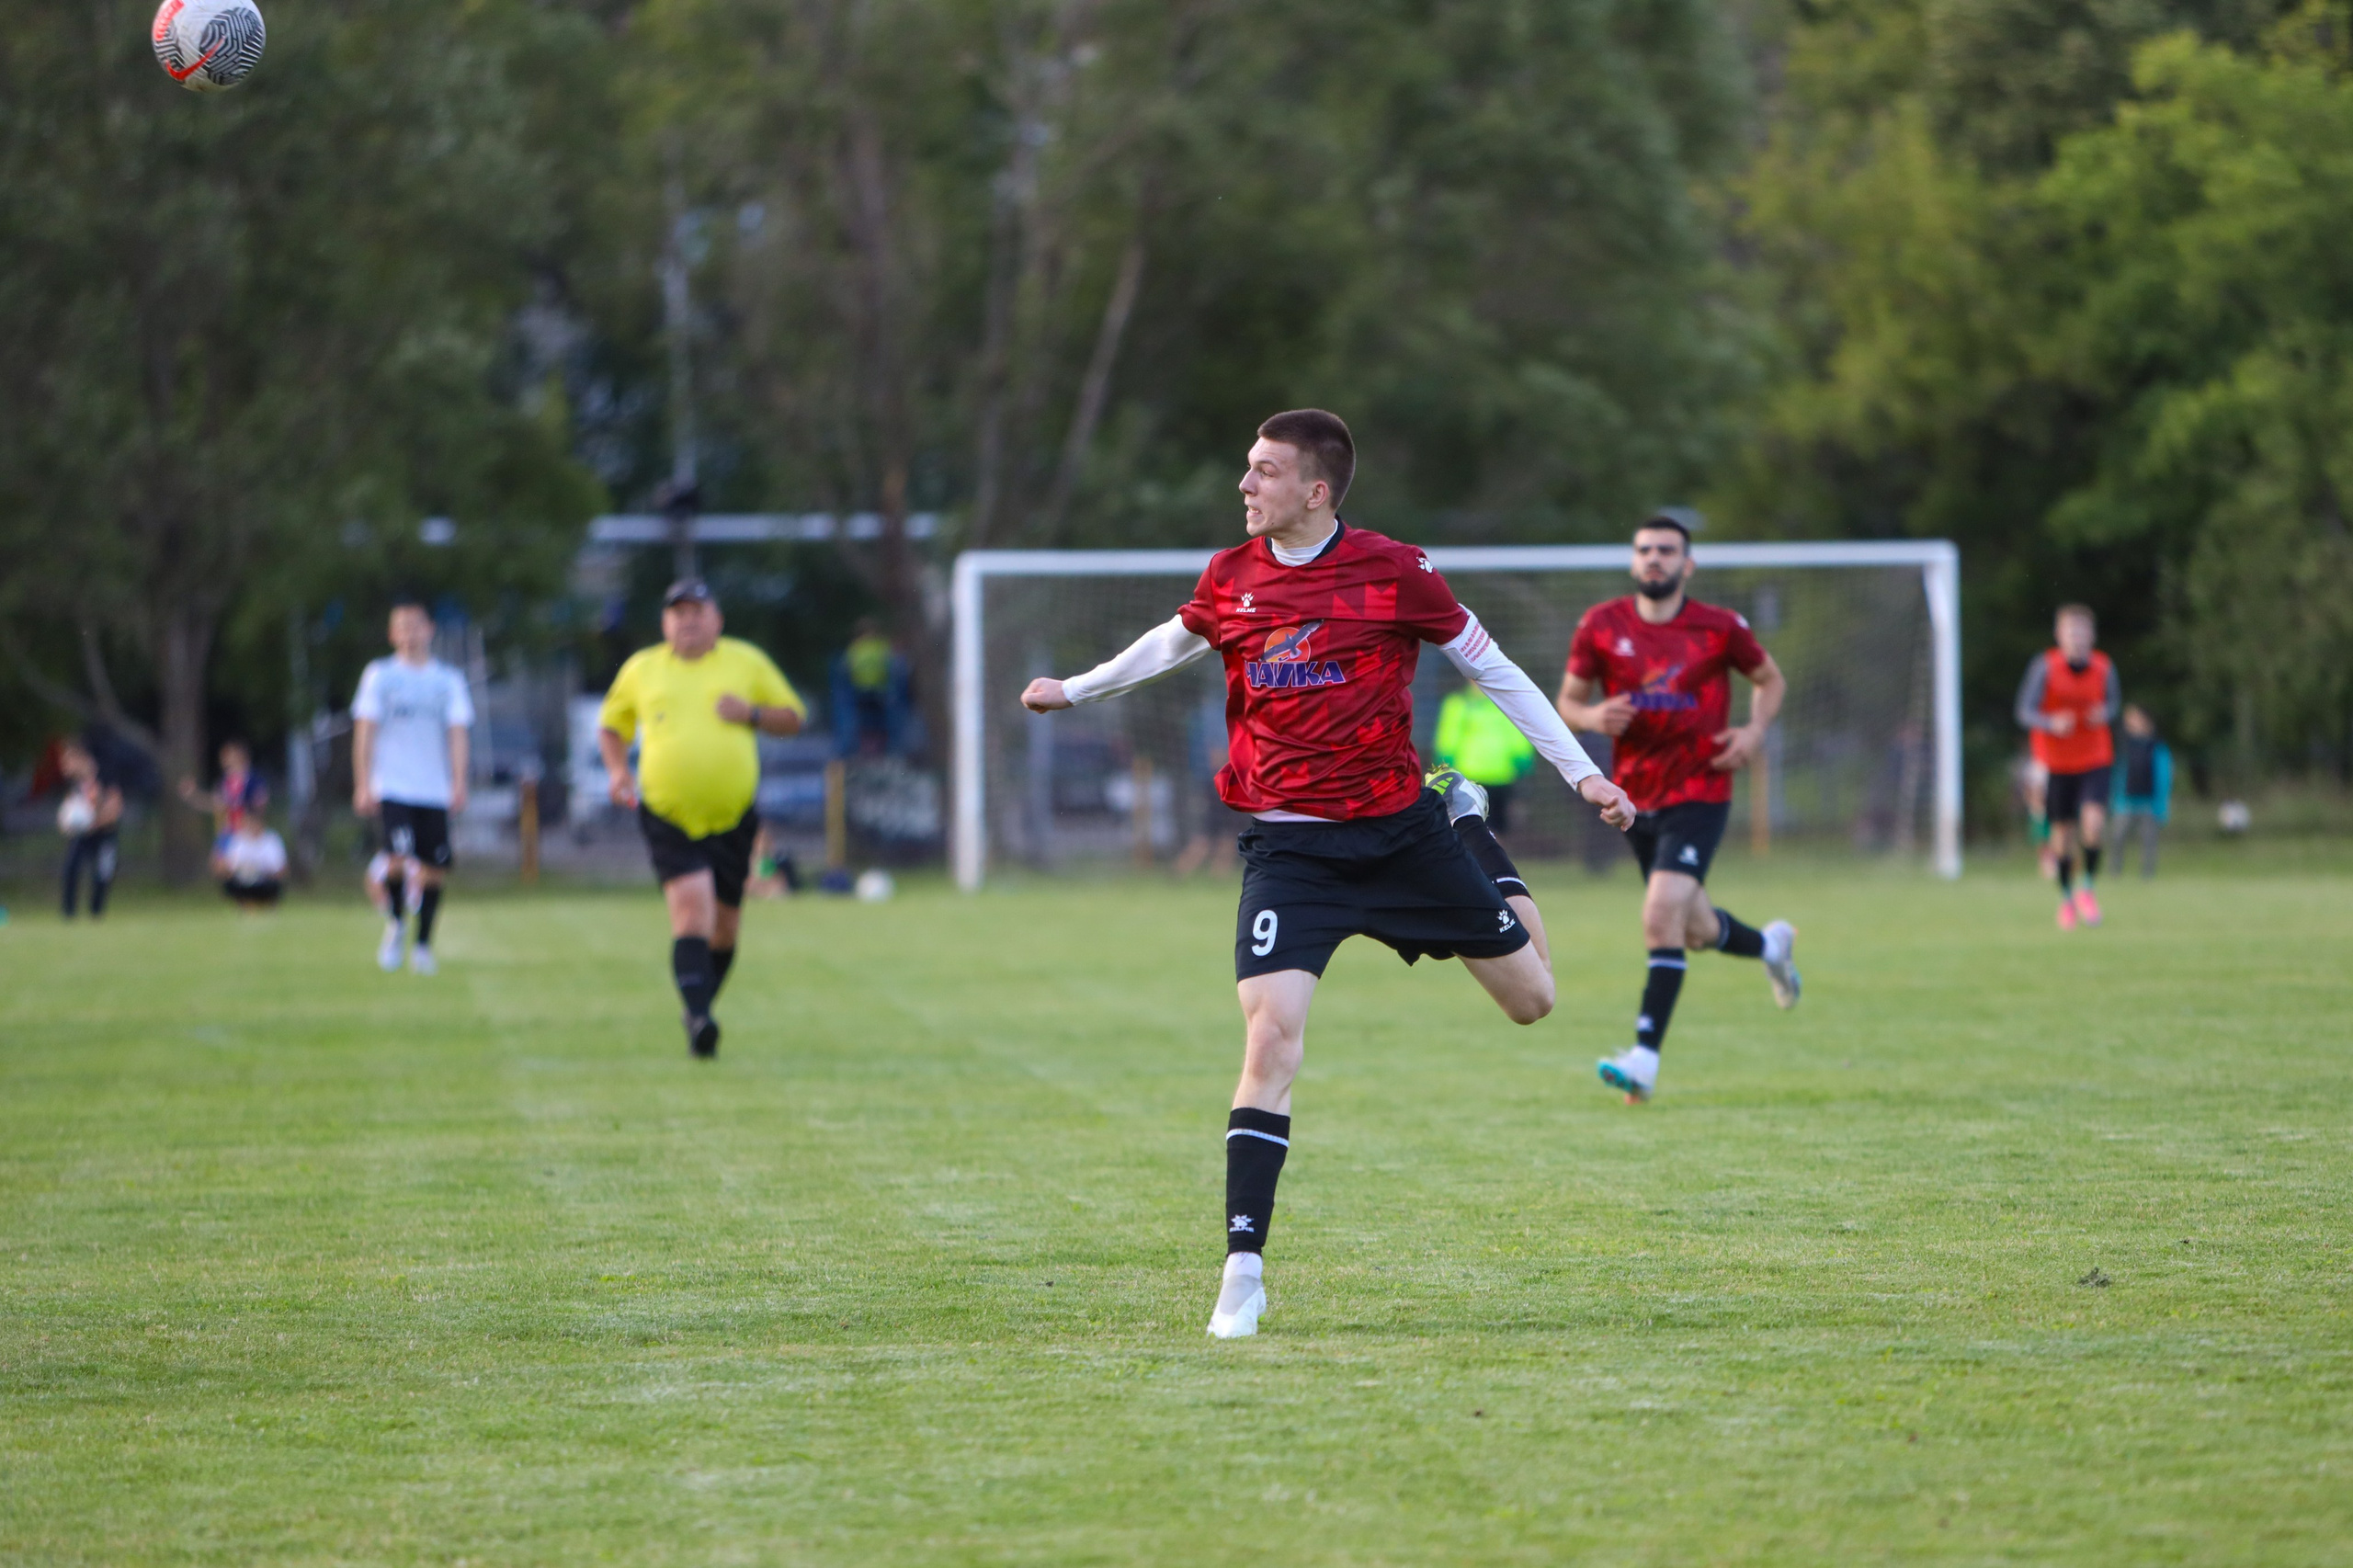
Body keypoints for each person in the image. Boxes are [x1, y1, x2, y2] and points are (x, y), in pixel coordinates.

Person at [1021, 409, 1635, 1339]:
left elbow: (1495, 668)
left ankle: (1465, 820)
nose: (1244, 484)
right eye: (1246, 467)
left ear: (1315, 489)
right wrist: (1075, 688)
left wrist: (1580, 770)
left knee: (1534, 998)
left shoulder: (1394, 571)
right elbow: (1176, 638)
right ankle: (1241, 1271)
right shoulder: (1230, 575)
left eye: (1263, 471)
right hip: (1289, 852)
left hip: (1401, 837)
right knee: (1269, 1043)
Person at [1556, 514, 1801, 1105]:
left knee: (1658, 914)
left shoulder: (1719, 629)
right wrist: (1592, 718)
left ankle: (1643, 1060)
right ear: (1633, 561)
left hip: (1702, 790)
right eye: (1645, 550)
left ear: (1688, 564)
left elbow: (1771, 680)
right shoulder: (1601, 624)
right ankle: (1771, 948)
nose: (1655, 559)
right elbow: (1567, 703)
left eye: (1667, 550)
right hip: (1635, 798)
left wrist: (1755, 731)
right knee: (1691, 928)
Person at [598, 577, 807, 1059]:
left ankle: (698, 1004)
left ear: (718, 620)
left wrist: (751, 713)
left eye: (698, 611)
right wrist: (616, 771)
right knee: (692, 910)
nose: (688, 621)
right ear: (664, 622)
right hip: (667, 812)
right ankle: (699, 1019)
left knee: (726, 929)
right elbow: (613, 725)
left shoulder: (744, 661)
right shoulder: (642, 669)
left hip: (733, 817)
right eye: (678, 613)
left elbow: (793, 718)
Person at [352, 597, 473, 974]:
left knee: (434, 868)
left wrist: (458, 782)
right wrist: (362, 782)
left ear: (429, 630)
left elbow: (457, 733)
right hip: (393, 786)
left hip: (433, 788)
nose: (409, 633)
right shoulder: (380, 676)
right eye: (402, 627)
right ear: (392, 634)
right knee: (396, 859)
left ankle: (422, 946)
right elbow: (365, 731)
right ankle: (396, 922)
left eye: (416, 625)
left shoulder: (447, 680)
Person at [2015, 604, 2119, 929]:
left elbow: (2114, 704)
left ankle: (2088, 886)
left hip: (2094, 757)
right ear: (2059, 636)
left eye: (2083, 632)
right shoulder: (2045, 667)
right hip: (2056, 762)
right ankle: (2066, 898)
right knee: (2062, 835)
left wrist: (2104, 714)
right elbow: (2024, 711)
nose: (2077, 638)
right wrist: (2049, 722)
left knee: (2094, 823)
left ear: (2092, 636)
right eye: (2071, 632)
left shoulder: (2104, 667)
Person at [1432, 681, 1536, 832]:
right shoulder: (1458, 704)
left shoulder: (1504, 705)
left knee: (1495, 826)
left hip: (1501, 776)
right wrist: (1446, 761)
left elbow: (1516, 735)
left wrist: (1523, 759)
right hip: (1469, 777)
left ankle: (1490, 854)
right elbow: (1448, 737)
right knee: (1471, 825)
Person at [57, 741, 125, 920]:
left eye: (68, 762)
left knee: (103, 875)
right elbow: (68, 811)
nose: (65, 768)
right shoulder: (74, 784)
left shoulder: (106, 776)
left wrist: (94, 820)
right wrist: (66, 823)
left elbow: (116, 808)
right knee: (71, 868)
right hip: (83, 836)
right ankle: (68, 915)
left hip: (106, 836)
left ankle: (96, 914)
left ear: (81, 759)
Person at [2110, 704, 2172, 879]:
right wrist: (2116, 799)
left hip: (2149, 804)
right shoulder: (2124, 746)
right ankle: (2115, 872)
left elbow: (2163, 777)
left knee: (2149, 842)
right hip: (2125, 803)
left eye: (2134, 718)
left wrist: (2161, 805)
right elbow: (2119, 774)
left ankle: (2147, 875)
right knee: (2117, 838)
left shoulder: (2157, 747)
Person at [177, 740, 268, 846]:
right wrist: (192, 796)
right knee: (218, 861)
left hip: (249, 834)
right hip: (228, 834)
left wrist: (252, 823)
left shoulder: (254, 780)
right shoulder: (225, 782)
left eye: (229, 756)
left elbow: (261, 805)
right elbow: (215, 804)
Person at [212, 813, 289, 909]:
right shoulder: (239, 840)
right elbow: (229, 867)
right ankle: (242, 905)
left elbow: (281, 869)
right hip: (243, 881)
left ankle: (270, 905)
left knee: (275, 885)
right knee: (230, 884)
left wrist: (262, 873)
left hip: (264, 881)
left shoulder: (271, 840)